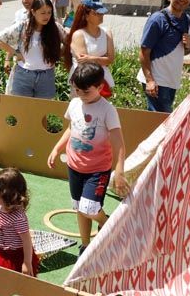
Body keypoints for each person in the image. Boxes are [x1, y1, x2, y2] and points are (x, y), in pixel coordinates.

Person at [46, 63, 129, 251]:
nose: (81, 95)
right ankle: (85, 245)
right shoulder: (75, 103)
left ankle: (107, 222)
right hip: (75, 167)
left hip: (97, 170)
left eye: (86, 91)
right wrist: (57, 148)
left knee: (89, 208)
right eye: (77, 91)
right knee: (79, 208)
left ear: (100, 87)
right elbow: (70, 128)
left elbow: (119, 143)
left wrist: (119, 169)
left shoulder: (107, 110)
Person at [137, 0, 190, 113]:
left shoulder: (187, 20)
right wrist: (150, 80)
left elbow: (186, 51)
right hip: (157, 80)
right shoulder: (157, 19)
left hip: (172, 80)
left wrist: (187, 46)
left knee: (162, 120)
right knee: (160, 121)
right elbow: (144, 52)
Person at [0, 0, 63, 99]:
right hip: (24, 76)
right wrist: (15, 53)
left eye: (49, 12)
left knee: (41, 112)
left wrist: (59, 53)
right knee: (22, 110)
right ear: (33, 12)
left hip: (46, 76)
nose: (46, 16)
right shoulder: (22, 26)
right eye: (43, 13)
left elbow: (70, 41)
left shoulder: (55, 28)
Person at [0, 168, 38, 277]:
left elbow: (27, 241)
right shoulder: (5, 207)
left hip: (15, 257)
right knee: (3, 280)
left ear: (9, 195)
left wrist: (27, 263)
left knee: (20, 284)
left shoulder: (17, 217)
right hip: (2, 251)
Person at [64, 0, 115, 96]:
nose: (101, 15)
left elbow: (111, 59)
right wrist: (101, 59)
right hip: (82, 82)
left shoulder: (107, 32)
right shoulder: (79, 35)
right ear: (86, 15)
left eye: (102, 12)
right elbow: (84, 63)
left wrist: (90, 58)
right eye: (96, 13)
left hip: (101, 81)